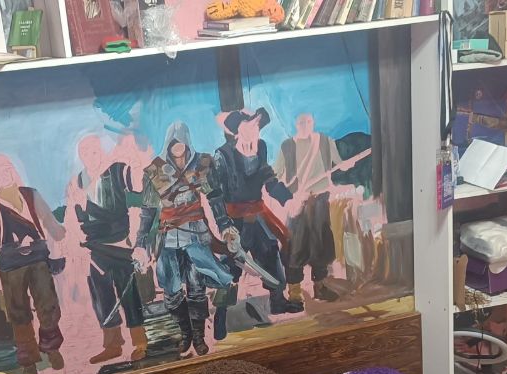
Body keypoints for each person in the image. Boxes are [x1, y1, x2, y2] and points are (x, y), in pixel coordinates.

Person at [135, 122, 233, 359]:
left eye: (181, 142)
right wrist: (140, 243)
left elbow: (215, 198)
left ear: (188, 142)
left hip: (196, 234)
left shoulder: (202, 164)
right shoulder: (155, 170)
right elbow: (148, 211)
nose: (178, 147)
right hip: (168, 237)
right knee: (170, 289)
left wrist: (225, 226)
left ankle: (198, 337)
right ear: (168, 144)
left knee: (196, 287)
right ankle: (185, 332)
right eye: (174, 143)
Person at [0, 154, 67, 374]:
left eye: (6, 169)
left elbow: (48, 219)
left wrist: (59, 233)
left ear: (13, 170)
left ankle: (52, 348)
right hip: (10, 262)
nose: (3, 175)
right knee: (18, 311)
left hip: (38, 257)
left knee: (48, 304)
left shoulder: (30, 194)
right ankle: (28, 360)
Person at [211, 108, 302, 322]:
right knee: (232, 261)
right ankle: (221, 312)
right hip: (234, 218)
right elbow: (215, 195)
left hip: (258, 213)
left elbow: (268, 178)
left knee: (270, 251)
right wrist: (224, 225)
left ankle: (278, 301)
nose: (255, 129)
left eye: (257, 125)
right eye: (250, 125)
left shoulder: (260, 147)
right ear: (237, 130)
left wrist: (288, 198)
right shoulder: (222, 155)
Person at [68, 135, 148, 364]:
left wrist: (135, 161)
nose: (90, 157)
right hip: (94, 247)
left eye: (94, 151)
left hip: (120, 244)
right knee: (101, 295)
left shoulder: (117, 171)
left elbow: (137, 188)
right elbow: (74, 216)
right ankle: (113, 344)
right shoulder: (77, 182)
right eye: (85, 153)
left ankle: (140, 342)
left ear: (101, 151)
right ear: (80, 156)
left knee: (128, 293)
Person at [274, 113, 355, 305]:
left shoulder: (325, 141)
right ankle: (295, 292)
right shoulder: (287, 146)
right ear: (296, 124)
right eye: (301, 122)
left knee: (321, 243)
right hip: (298, 201)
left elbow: (339, 164)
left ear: (313, 122)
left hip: (320, 199)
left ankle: (320, 287)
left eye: (308, 121)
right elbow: (276, 173)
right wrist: (287, 197)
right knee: (295, 245)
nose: (305, 125)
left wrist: (346, 165)